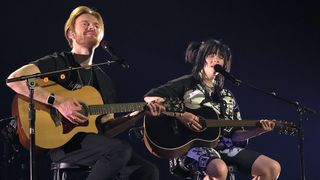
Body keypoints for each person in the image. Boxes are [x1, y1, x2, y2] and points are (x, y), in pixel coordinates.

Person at [6, 6, 163, 180]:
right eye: (86, 24)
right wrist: (58, 102)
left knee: (148, 172)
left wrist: (137, 114)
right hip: (61, 143)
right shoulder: (59, 61)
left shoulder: (105, 81)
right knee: (120, 149)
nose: (92, 27)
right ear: (70, 34)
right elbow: (15, 79)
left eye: (97, 26)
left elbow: (107, 128)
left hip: (94, 143)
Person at [143, 39, 281, 180]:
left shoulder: (227, 96)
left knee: (271, 168)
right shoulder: (187, 83)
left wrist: (259, 130)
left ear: (225, 64)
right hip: (190, 148)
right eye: (211, 54)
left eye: (220, 57)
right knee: (219, 168)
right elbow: (150, 98)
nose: (216, 59)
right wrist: (182, 115)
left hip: (223, 147)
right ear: (202, 57)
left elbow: (234, 134)